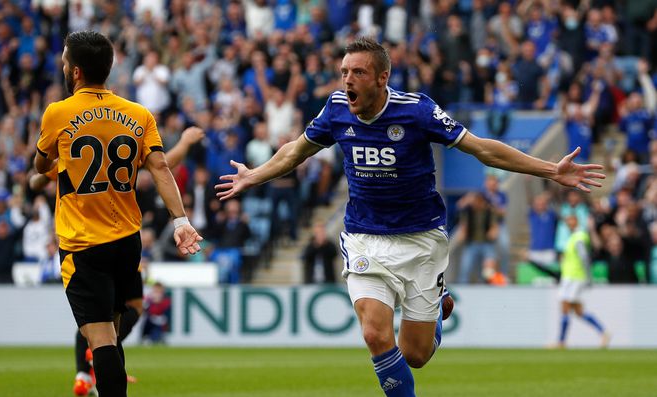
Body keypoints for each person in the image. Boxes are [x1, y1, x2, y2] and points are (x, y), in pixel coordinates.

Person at [215, 37, 605, 396]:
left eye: (358, 72)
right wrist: (255, 174)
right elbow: (295, 151)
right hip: (364, 236)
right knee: (374, 333)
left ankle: (436, 306)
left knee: (415, 355)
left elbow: (483, 149)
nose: (347, 80)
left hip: (421, 240)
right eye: (344, 72)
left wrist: (551, 170)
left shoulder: (416, 111)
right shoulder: (336, 109)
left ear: (382, 77)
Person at [33, 31, 202, 397]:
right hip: (127, 241)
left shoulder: (58, 113)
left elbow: (41, 161)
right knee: (115, 328)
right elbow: (159, 167)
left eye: (64, 61)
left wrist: (44, 165)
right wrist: (181, 220)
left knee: (102, 338)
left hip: (83, 242)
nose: (63, 65)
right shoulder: (138, 114)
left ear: (75, 72)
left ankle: (86, 376)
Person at [555, 215, 610, 349]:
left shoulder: (579, 236)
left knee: (565, 306)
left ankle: (561, 342)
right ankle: (604, 332)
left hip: (575, 277)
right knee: (578, 311)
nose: (568, 222)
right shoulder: (574, 236)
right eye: (567, 220)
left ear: (577, 221)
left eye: (571, 219)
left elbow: (584, 257)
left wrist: (589, 277)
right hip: (571, 276)